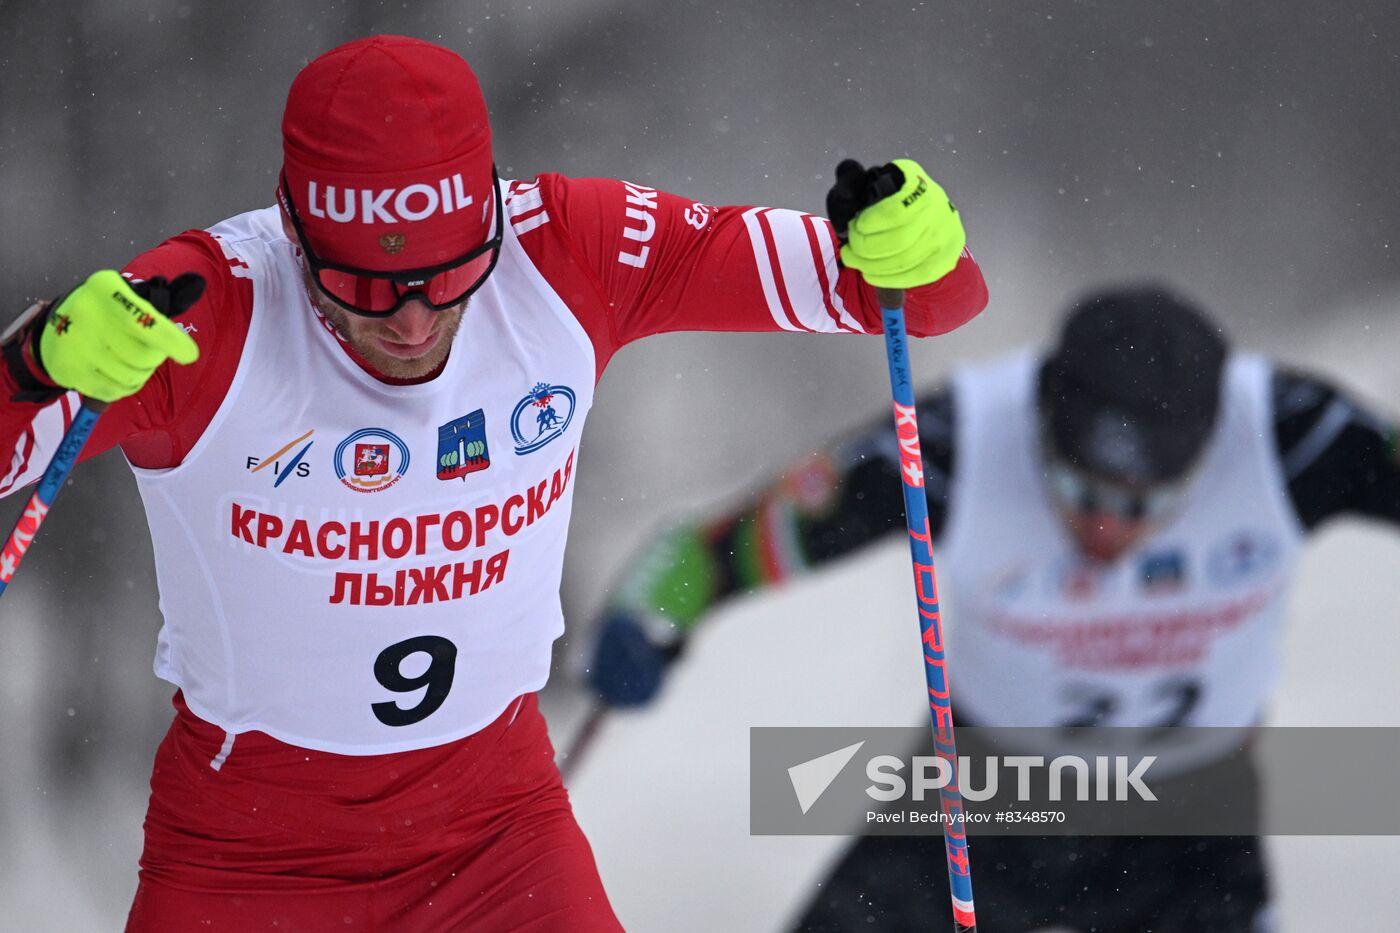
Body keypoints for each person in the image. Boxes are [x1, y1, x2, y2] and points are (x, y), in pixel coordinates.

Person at [0, 35, 987, 932]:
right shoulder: (202, 310)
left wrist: (907, 241)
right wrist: (36, 362)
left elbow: (920, 301)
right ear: (298, 234)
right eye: (365, 287)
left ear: (490, 210)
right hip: (251, 854)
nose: (414, 321)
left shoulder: (567, 248)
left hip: (495, 835)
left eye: (450, 272)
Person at [586, 284, 1400, 932]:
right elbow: (710, 549)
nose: (1110, 528)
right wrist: (644, 620)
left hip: (1189, 818)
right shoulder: (957, 437)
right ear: (1041, 422)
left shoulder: (1293, 432)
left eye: (1155, 502)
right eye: (1079, 491)